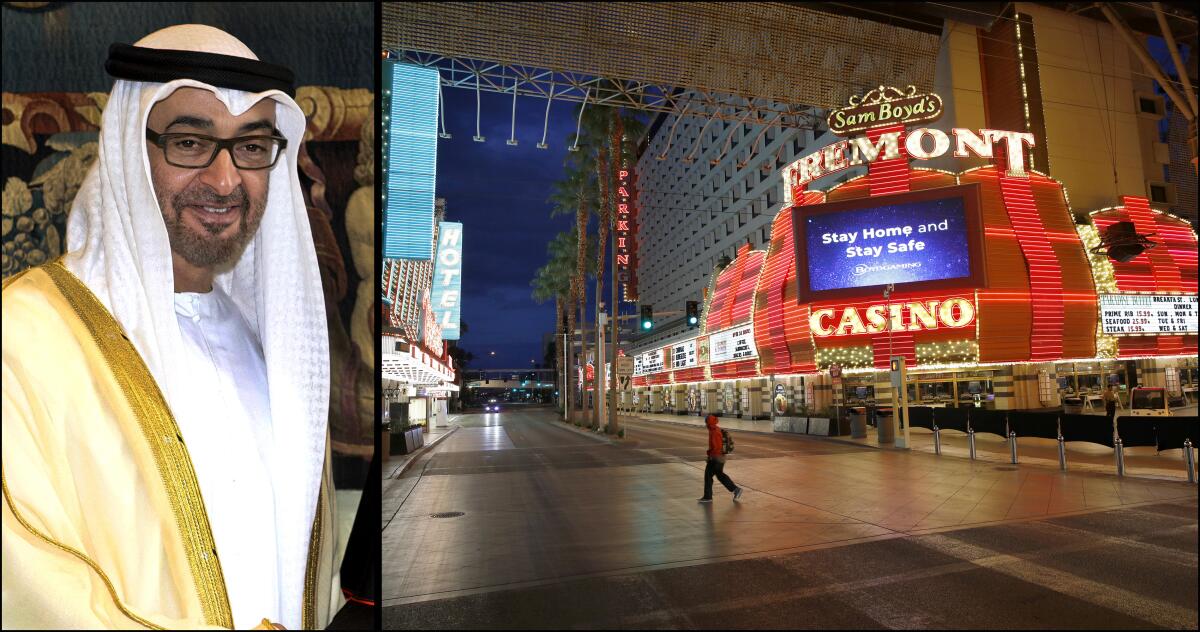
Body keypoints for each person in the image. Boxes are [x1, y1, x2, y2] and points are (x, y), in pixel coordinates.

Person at [3, 25, 343, 629]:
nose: (224, 180)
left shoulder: (275, 357)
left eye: (252, 146)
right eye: (190, 143)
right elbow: (27, 585)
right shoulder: (25, 339)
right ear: (132, 152)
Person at [699, 414, 743, 503]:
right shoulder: (715, 429)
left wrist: (710, 457)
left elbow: (716, 447)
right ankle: (735, 489)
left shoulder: (714, 431)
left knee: (708, 476)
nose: (705, 424)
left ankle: (708, 497)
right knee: (720, 475)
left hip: (716, 458)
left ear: (709, 422)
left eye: (706, 422)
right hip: (720, 458)